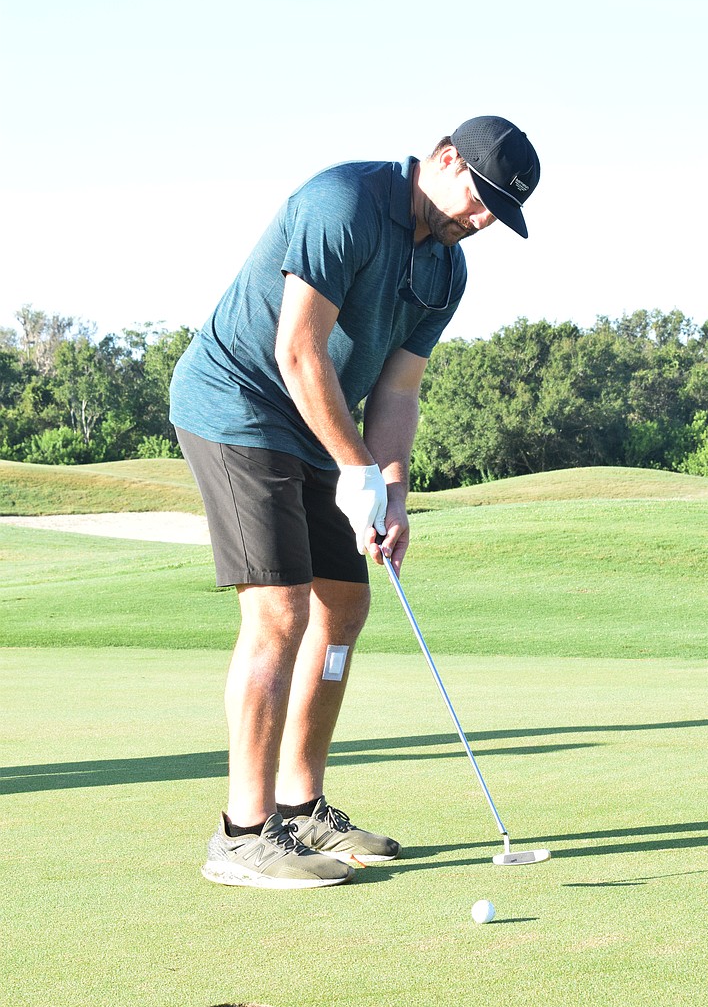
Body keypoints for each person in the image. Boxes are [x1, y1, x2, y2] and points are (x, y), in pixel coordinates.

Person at [169, 115, 541, 888]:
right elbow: (298, 349)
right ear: (445, 160)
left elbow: (398, 389)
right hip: (239, 406)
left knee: (342, 606)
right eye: (481, 202)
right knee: (280, 610)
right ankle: (242, 833)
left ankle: (303, 807)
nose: (480, 223)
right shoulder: (343, 202)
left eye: (496, 218)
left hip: (317, 424)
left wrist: (392, 487)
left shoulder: (447, 272)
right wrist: (353, 465)